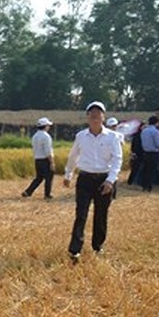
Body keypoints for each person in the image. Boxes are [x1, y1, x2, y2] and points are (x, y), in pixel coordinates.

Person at [63, 101, 123, 262]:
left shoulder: (113, 137)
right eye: (92, 113)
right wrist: (68, 174)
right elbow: (73, 156)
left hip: (104, 180)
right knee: (80, 214)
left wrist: (110, 181)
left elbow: (118, 159)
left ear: (103, 116)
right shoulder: (81, 136)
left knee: (101, 215)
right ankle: (75, 249)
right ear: (87, 117)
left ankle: (98, 246)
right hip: (85, 179)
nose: (95, 115)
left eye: (98, 112)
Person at [21, 116, 55, 199]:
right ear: (45, 126)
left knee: (39, 178)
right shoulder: (46, 137)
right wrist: (51, 162)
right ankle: (47, 194)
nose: (49, 127)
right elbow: (48, 151)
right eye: (48, 125)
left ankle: (28, 191)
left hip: (37, 159)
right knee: (49, 177)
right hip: (45, 160)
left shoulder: (35, 136)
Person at [139, 116, 159, 192]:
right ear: (156, 123)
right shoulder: (156, 131)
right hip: (153, 153)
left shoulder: (144, 131)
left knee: (145, 170)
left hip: (145, 152)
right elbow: (158, 144)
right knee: (152, 170)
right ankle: (149, 186)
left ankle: (144, 186)